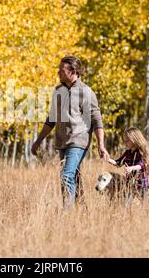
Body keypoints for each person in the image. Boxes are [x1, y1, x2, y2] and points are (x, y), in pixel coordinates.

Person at [31, 56, 109, 209]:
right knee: (75, 177)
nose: (58, 73)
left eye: (62, 70)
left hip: (79, 141)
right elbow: (51, 119)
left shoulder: (86, 92)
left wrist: (101, 144)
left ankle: (67, 211)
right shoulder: (58, 91)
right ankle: (82, 209)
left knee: (66, 176)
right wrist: (38, 141)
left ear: (73, 71)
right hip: (62, 142)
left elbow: (96, 119)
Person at [109, 126, 149, 206]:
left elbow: (142, 164)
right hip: (130, 185)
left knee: (146, 204)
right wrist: (108, 159)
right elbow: (118, 163)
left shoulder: (141, 152)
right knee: (127, 205)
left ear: (134, 139)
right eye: (124, 140)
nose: (125, 142)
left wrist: (132, 168)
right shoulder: (127, 153)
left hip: (142, 185)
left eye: (127, 140)